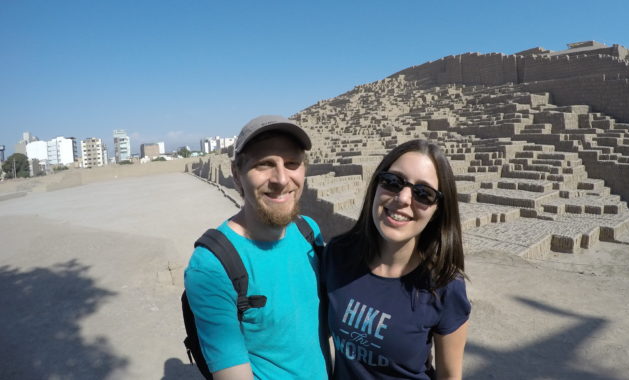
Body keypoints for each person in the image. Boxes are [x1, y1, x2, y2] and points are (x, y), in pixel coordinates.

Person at [184, 115, 329, 380]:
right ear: (236, 174)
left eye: (292, 163)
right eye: (264, 165)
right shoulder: (211, 266)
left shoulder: (309, 232)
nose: (282, 179)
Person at [322, 139, 471, 379]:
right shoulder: (338, 255)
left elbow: (450, 375)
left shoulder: (444, 285)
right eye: (393, 182)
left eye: (424, 194)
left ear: (436, 212)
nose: (403, 198)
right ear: (376, 186)